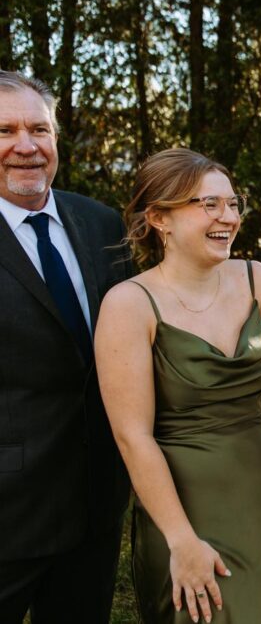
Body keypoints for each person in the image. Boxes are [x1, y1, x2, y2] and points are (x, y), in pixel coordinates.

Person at [95, 148, 261, 624]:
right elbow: (134, 437)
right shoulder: (129, 304)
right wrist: (180, 539)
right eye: (207, 205)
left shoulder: (258, 279)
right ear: (159, 218)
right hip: (188, 510)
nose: (227, 217)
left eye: (233, 204)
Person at [0, 71, 132, 624]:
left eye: (39, 129)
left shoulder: (101, 222)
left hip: (95, 502)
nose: (26, 146)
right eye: (4, 131)